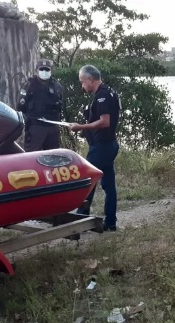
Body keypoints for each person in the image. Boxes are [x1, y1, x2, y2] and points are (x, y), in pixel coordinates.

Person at [68, 65, 121, 232]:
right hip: (109, 145)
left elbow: (105, 122)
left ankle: (81, 220)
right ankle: (110, 222)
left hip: (102, 147)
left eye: (82, 82)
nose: (82, 86)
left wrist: (82, 126)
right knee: (108, 185)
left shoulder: (103, 96)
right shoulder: (109, 92)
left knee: (87, 181)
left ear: (90, 79)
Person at [17, 59, 65, 151]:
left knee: (53, 157)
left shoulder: (56, 86)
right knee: (32, 158)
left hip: (52, 128)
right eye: (42, 69)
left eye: (47, 70)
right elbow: (20, 106)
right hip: (35, 127)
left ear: (51, 70)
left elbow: (60, 106)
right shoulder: (29, 85)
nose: (44, 72)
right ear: (36, 70)